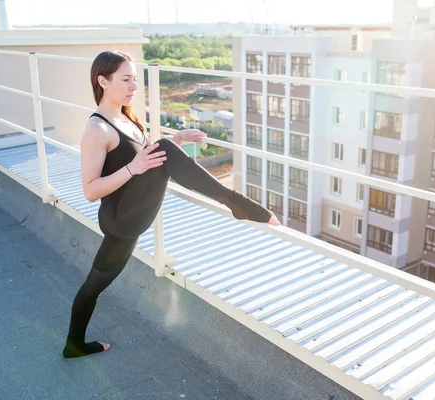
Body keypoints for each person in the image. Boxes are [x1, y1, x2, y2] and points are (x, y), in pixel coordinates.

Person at [62, 50, 280, 358]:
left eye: (135, 79)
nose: (134, 87)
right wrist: (132, 169)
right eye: (126, 80)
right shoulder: (97, 129)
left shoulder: (125, 118)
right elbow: (90, 190)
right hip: (120, 218)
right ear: (103, 81)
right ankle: (237, 203)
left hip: (132, 214)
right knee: (92, 286)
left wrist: (175, 141)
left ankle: (74, 345)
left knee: (93, 286)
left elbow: (146, 157)